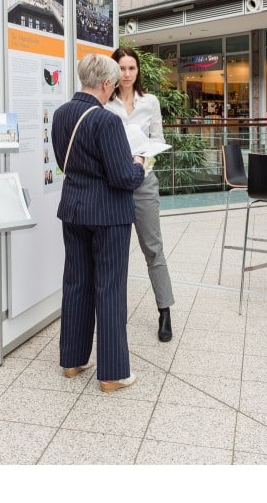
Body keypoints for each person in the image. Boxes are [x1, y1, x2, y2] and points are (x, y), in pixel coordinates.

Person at [51, 54, 146, 391]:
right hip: (107, 215)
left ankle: (72, 361)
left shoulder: (61, 114)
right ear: (106, 83)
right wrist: (139, 163)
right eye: (114, 83)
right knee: (109, 288)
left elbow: (63, 161)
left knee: (76, 283)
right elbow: (123, 177)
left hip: (73, 209)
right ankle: (113, 373)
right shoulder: (106, 121)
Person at [104, 47, 175, 342]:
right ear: (114, 70)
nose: (127, 74)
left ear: (137, 71)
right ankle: (112, 315)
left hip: (144, 183)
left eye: (131, 68)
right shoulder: (105, 105)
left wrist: (143, 158)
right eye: (122, 68)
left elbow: (158, 139)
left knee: (153, 248)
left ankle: (165, 311)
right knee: (114, 253)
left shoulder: (151, 102)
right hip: (115, 185)